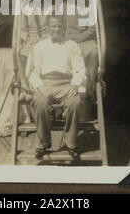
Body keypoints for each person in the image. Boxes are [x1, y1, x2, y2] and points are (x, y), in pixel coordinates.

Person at [28, 15, 86, 159]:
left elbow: (79, 68)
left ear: (64, 28)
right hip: (46, 83)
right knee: (40, 102)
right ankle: (44, 142)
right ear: (47, 28)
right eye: (53, 26)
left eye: (60, 26)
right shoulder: (39, 46)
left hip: (66, 83)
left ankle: (70, 142)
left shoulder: (72, 45)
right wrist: (40, 85)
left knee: (75, 102)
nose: (57, 29)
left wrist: (75, 83)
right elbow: (33, 71)